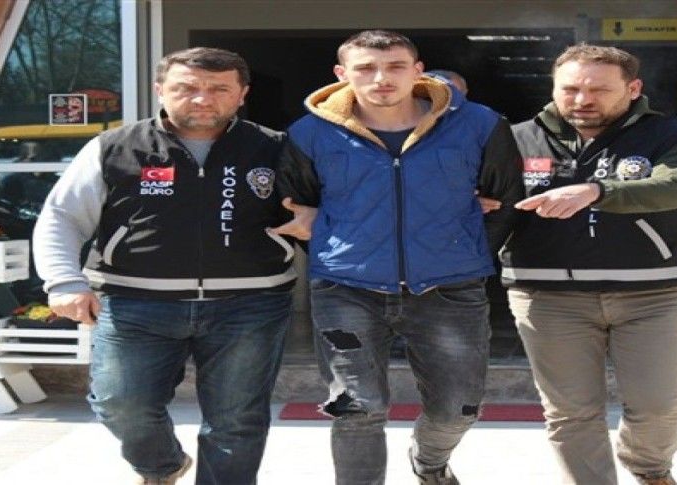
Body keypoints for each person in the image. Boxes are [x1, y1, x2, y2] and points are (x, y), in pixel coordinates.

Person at [33, 47, 295, 485]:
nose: (202, 98)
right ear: (160, 89)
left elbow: (327, 211)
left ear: (242, 94)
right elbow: (61, 217)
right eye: (186, 88)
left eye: (218, 89)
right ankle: (162, 466)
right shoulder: (114, 147)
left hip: (251, 303)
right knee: (120, 403)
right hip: (135, 303)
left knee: (236, 420)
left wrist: (315, 224)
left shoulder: (277, 149)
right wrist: (63, 281)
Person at [274, 30, 523, 484]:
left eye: (395, 67)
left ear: (417, 70)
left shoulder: (479, 124)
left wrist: (463, 253)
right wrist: (341, 249)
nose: (381, 78)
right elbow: (300, 206)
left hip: (450, 288)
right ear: (341, 74)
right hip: (346, 289)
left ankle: (429, 461)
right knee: (356, 407)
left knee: (457, 409)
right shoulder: (309, 133)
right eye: (366, 68)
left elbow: (503, 200)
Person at [499, 44, 677, 485]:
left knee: (658, 406)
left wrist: (597, 191)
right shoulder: (514, 138)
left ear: (633, 89)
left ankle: (650, 469)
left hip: (656, 293)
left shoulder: (674, 135)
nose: (582, 99)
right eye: (570, 89)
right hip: (547, 295)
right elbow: (481, 200)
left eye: (598, 90)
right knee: (570, 412)